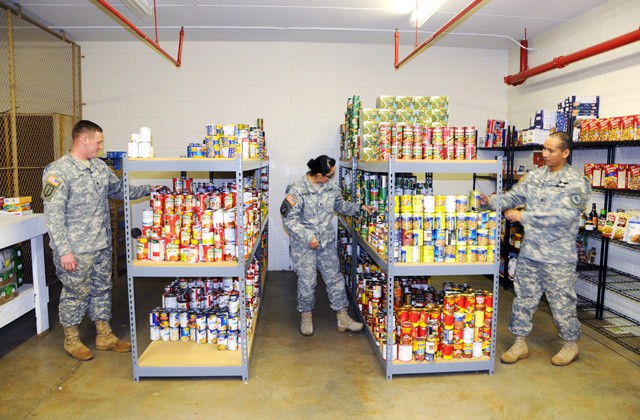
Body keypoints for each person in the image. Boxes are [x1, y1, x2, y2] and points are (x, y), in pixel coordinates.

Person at [479, 131, 591, 366]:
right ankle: (520, 343)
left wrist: (524, 216)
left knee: (562, 302)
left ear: (565, 153)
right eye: (544, 148)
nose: (545, 154)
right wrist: (489, 202)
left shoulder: (577, 183)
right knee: (523, 299)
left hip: (558, 257)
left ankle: (570, 345)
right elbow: (512, 198)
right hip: (531, 252)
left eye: (551, 150)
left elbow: (565, 217)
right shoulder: (535, 177)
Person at [42, 120, 150, 361]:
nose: (101, 147)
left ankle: (104, 335)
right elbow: (53, 216)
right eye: (99, 142)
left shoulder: (99, 168)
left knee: (103, 288)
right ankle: (72, 339)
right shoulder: (57, 171)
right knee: (75, 293)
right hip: (75, 248)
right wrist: (64, 251)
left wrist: (151, 189)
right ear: (84, 140)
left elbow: (119, 190)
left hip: (101, 243)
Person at [281, 155, 375, 336]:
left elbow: (340, 205)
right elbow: (289, 220)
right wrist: (309, 237)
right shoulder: (297, 189)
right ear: (318, 174)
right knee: (307, 283)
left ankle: (343, 317)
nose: (331, 179)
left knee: (335, 279)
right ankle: (306, 315)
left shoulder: (331, 187)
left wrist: (359, 207)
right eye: (328, 175)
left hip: (326, 242)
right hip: (304, 245)